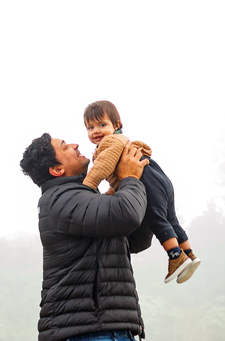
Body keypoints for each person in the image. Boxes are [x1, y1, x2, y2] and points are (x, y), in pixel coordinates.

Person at [20, 132, 152, 341]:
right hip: (88, 332)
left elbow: (135, 240)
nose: (75, 144)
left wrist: (143, 190)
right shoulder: (60, 199)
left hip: (107, 328)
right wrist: (129, 178)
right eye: (65, 147)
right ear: (57, 169)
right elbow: (126, 215)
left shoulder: (82, 198)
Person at [82, 100, 202, 285]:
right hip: (159, 177)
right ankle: (189, 253)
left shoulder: (110, 142)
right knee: (171, 219)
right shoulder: (124, 141)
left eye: (102, 125)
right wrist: (110, 192)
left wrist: (88, 185)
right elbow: (122, 177)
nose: (96, 131)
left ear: (117, 125)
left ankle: (176, 257)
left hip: (147, 181)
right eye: (90, 127)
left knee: (155, 218)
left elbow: (103, 167)